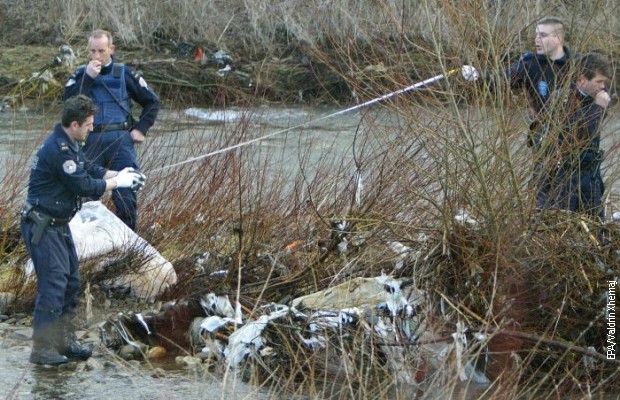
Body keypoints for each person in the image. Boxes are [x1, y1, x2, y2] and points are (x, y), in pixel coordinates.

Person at [21, 95, 146, 365]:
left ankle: (64, 341)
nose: (92, 128)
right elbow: (83, 185)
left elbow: (89, 169)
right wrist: (119, 184)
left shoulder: (72, 143)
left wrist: (121, 173)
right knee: (53, 285)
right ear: (75, 124)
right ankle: (42, 349)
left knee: (71, 282)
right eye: (89, 124)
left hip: (58, 224)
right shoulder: (58, 150)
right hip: (41, 225)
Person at [461, 17, 573, 207]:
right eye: (536, 35)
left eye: (543, 35)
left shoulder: (577, 65)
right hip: (542, 133)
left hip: (572, 133)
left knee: (572, 184)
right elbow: (502, 79)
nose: (537, 39)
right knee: (543, 180)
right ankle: (540, 217)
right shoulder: (529, 64)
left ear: (558, 39)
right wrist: (478, 75)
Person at [64, 29, 160, 231]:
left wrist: (141, 129)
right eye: (93, 51)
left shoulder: (125, 73)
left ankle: (128, 245)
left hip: (121, 142)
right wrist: (88, 78)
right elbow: (68, 105)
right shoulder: (80, 75)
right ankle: (89, 246)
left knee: (126, 197)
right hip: (90, 142)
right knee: (87, 199)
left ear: (111, 49)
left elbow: (152, 101)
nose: (97, 56)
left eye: (101, 50)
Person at [544, 52, 612, 219]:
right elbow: (577, 134)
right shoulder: (563, 100)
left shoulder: (593, 99)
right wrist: (598, 109)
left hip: (591, 176)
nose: (603, 86)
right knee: (564, 225)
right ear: (581, 80)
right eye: (599, 81)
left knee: (597, 231)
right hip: (567, 177)